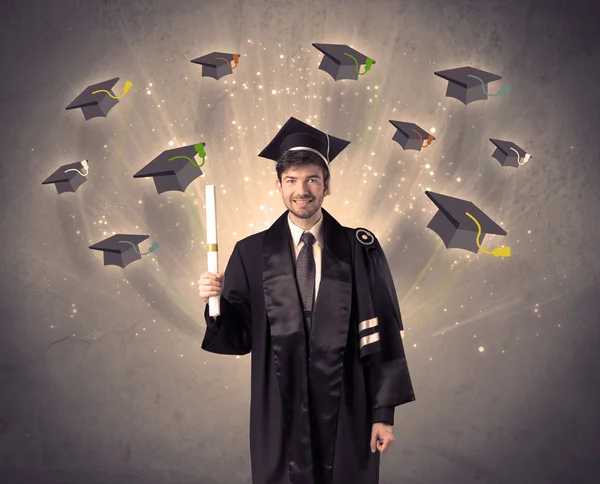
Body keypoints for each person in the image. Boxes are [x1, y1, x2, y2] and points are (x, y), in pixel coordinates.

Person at [198, 118, 415, 484]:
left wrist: (383, 414)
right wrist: (215, 304)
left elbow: (384, 335)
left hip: (348, 403)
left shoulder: (360, 248)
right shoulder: (250, 253)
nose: (303, 190)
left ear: (326, 185)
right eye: (292, 181)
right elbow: (240, 338)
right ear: (279, 185)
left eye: (312, 179)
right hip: (280, 407)